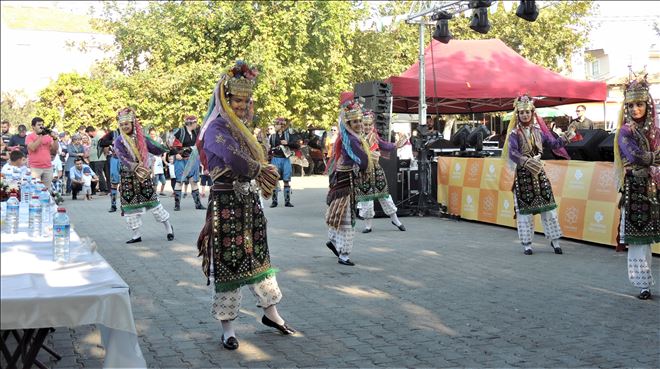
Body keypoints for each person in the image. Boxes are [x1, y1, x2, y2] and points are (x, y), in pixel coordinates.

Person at [196, 61, 295, 351]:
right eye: (236, 99)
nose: (241, 105)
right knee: (228, 262)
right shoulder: (214, 127)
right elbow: (234, 158)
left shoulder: (243, 128)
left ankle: (271, 313)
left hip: (249, 203)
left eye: (245, 100)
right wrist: (261, 169)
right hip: (226, 202)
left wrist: (260, 169)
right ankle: (227, 327)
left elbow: (248, 160)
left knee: (258, 256)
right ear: (224, 99)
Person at [502, 95, 579, 255]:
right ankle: (527, 244)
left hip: (539, 174)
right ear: (518, 114)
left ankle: (555, 241)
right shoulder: (514, 133)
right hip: (524, 175)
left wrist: (567, 135)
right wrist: (527, 161)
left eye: (527, 112)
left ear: (532, 113)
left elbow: (554, 144)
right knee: (525, 212)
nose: (525, 115)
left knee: (549, 208)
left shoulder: (538, 131)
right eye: (522, 112)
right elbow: (513, 153)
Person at [613, 74, 659, 300]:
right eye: (630, 105)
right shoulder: (625, 131)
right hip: (635, 188)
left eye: (639, 104)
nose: (634, 109)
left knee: (649, 239)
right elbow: (634, 155)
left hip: (653, 186)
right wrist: (653, 157)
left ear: (647, 104)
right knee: (639, 238)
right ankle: (643, 285)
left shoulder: (654, 131)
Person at [113, 108, 174, 244]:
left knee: (154, 202)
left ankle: (169, 228)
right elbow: (122, 157)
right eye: (122, 125)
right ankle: (136, 234)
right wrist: (134, 166)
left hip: (143, 176)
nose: (124, 127)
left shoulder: (142, 139)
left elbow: (155, 147)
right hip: (128, 177)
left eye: (127, 124)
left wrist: (168, 149)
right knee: (130, 206)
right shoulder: (119, 141)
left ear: (133, 123)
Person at [325, 100, 370, 266]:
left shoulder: (351, 137)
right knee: (346, 218)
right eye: (355, 122)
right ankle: (343, 254)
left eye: (359, 121)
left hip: (343, 179)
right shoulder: (351, 139)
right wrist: (369, 163)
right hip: (346, 182)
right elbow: (362, 159)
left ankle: (334, 241)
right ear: (349, 123)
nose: (358, 124)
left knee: (340, 214)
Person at [356, 110, 405, 233]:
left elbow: (384, 145)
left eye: (369, 125)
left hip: (377, 170)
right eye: (365, 125)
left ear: (372, 126)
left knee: (384, 195)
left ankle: (395, 220)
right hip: (363, 172)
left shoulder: (374, 137)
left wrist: (396, 145)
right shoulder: (357, 138)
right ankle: (368, 226)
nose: (367, 127)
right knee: (366, 198)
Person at [169, 115, 205, 211]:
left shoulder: (195, 132)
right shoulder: (180, 131)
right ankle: (177, 205)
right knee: (179, 181)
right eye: (195, 123)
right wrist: (176, 154)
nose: (196, 124)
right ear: (191, 123)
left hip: (192, 159)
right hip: (181, 160)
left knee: (193, 181)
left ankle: (198, 204)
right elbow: (170, 142)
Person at [268, 117, 299, 207]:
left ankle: (287, 201)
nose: (275, 126)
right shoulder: (273, 136)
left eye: (277, 124)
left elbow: (297, 145)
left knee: (286, 180)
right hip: (276, 159)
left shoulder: (289, 135)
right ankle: (274, 201)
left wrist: (287, 143)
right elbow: (270, 149)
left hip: (285, 159)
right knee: (274, 180)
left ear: (282, 126)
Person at [26, 117, 59, 190]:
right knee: (35, 189)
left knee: (46, 190)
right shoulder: (29, 136)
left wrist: (55, 138)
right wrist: (41, 136)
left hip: (47, 167)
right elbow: (33, 147)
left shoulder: (47, 137)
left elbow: (54, 150)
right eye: (38, 125)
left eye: (42, 124)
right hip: (35, 167)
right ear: (33, 127)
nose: (41, 126)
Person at [99, 128, 121, 212]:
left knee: (126, 183)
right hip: (115, 160)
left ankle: (125, 204)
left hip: (127, 161)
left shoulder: (133, 133)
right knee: (114, 183)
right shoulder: (113, 133)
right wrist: (112, 142)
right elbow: (101, 142)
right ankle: (113, 205)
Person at [86, 126, 108, 194]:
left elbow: (105, 146)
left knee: (99, 174)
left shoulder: (99, 137)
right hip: (93, 159)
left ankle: (104, 189)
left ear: (90, 132)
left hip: (99, 159)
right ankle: (93, 190)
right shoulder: (92, 139)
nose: (88, 135)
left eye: (88, 133)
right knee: (92, 174)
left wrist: (105, 154)